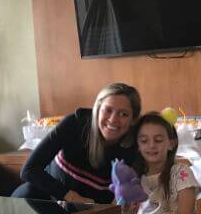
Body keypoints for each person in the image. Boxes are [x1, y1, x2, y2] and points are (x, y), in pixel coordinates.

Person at [13, 82, 141, 205]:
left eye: (123, 114)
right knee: (28, 191)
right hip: (44, 201)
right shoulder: (74, 124)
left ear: (133, 120)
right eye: (108, 110)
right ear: (97, 110)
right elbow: (29, 170)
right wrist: (71, 197)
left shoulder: (136, 147)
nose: (113, 119)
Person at [133, 113, 201, 214]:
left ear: (171, 143)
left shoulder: (181, 172)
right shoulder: (134, 179)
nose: (151, 145)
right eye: (144, 141)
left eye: (158, 140)